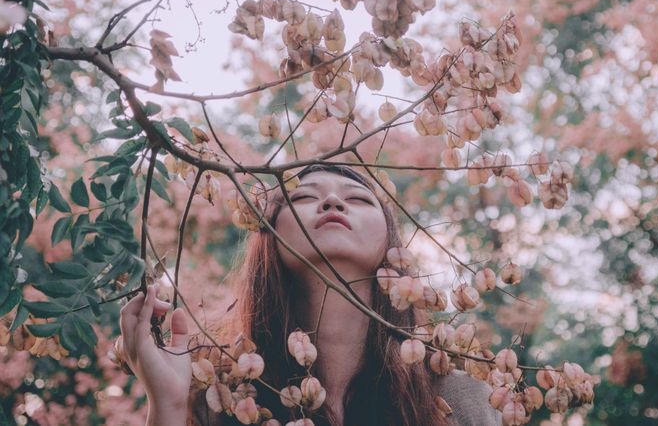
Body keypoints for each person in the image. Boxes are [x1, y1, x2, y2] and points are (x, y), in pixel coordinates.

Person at [119, 164, 501, 426]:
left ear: (392, 242)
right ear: (269, 234)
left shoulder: (454, 393)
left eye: (358, 199)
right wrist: (167, 406)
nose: (332, 203)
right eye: (302, 197)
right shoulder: (223, 394)